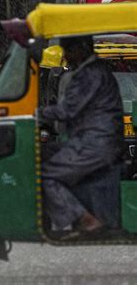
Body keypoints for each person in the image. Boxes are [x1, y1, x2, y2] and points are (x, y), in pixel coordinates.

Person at [40, 36, 124, 238]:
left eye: (69, 50)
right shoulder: (93, 71)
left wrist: (31, 114)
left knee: (46, 175)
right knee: (42, 153)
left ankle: (86, 220)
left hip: (95, 144)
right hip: (92, 141)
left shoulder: (91, 74)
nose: (66, 56)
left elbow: (67, 110)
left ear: (82, 48)